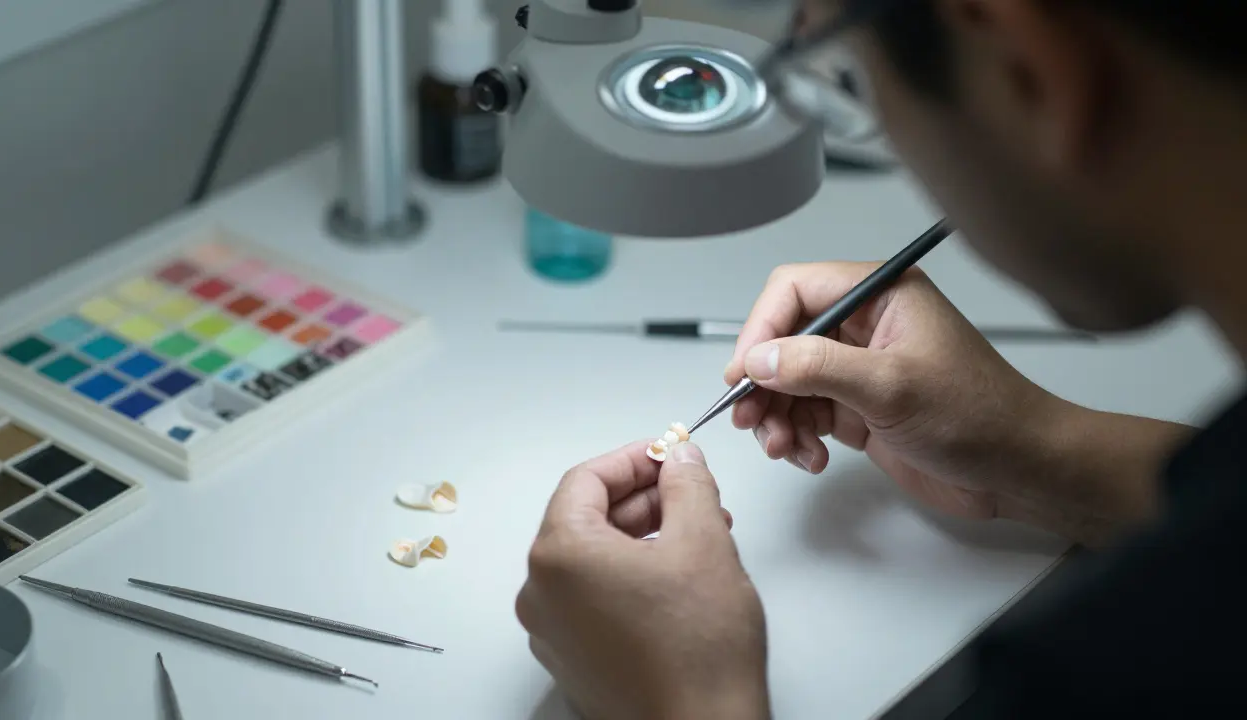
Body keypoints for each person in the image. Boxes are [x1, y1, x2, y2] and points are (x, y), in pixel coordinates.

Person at [514, 0, 1247, 717]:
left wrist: (688, 699)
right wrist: (1029, 450)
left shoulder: (1103, 672)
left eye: (850, 74)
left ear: (1025, 67)